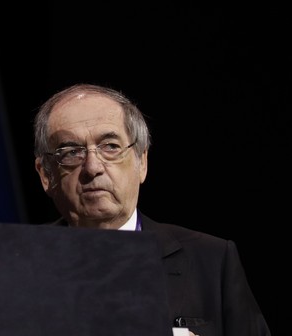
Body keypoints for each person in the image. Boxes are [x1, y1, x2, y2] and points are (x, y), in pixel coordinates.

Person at [32, 83, 271, 336]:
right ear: (46, 175)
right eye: (71, 152)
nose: (93, 167)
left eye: (111, 147)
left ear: (141, 162)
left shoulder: (212, 260)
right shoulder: (19, 265)